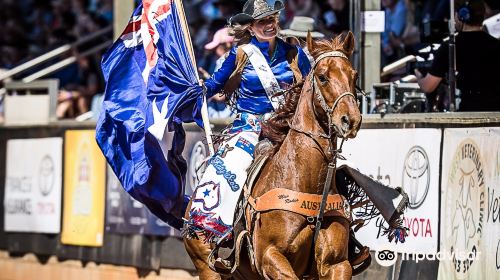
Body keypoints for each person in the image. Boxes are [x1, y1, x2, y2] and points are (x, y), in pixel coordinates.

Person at [186, 0, 311, 243]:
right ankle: (213, 223)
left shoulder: (294, 52)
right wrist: (197, 91)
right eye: (262, 21)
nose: (269, 25)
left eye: (272, 19)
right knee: (229, 165)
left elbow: (310, 85)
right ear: (251, 27)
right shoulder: (241, 53)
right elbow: (216, 84)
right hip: (250, 125)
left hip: (287, 124)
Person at [415, 0, 500, 111]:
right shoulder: (496, 45)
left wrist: (418, 77)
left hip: (470, 111)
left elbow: (428, 86)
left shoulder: (451, 46)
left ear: (461, 15)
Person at [200, 27, 235, 119]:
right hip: (217, 115)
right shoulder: (220, 61)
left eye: (218, 45)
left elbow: (221, 96)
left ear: (228, 44)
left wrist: (201, 90)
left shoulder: (227, 62)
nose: (215, 49)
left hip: (225, 118)